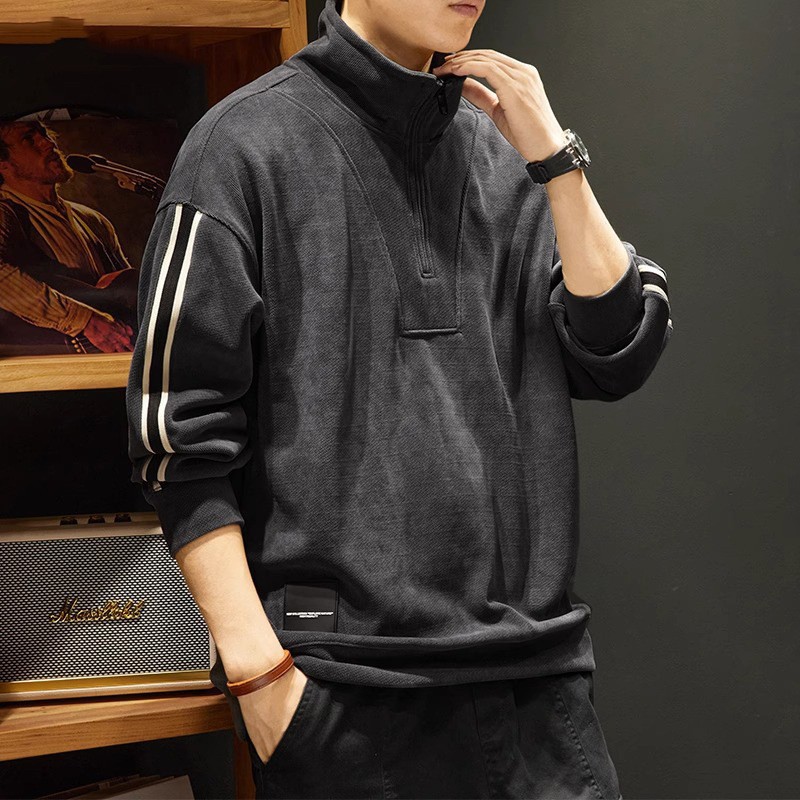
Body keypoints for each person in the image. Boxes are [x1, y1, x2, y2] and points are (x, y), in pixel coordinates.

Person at [125, 0, 672, 797]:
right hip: (346, 698)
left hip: (538, 694)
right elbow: (176, 432)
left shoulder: (511, 150)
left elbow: (618, 349)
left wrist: (558, 162)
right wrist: (258, 675)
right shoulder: (239, 146)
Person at [0, 120, 136, 354]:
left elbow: (126, 295)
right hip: (50, 364)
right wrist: (84, 320)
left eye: (44, 133)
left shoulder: (92, 219)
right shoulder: (5, 212)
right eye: (29, 139)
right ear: (3, 165)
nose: (48, 143)